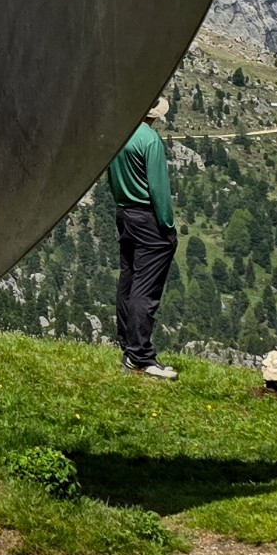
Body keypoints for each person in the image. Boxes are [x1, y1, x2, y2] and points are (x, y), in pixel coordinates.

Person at [109, 97, 179, 380]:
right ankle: (140, 357)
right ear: (155, 115)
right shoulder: (149, 140)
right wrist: (168, 227)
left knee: (128, 281)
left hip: (124, 213)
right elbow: (159, 189)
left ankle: (128, 347)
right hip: (148, 218)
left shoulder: (119, 133)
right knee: (145, 289)